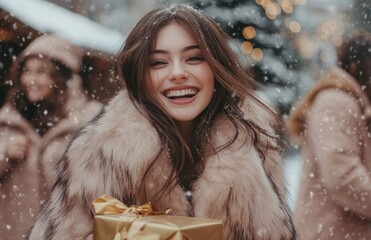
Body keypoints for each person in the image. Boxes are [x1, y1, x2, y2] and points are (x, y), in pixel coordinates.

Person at [26, 4, 295, 240]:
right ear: (140, 77)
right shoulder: (99, 155)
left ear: (215, 68)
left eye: (193, 58)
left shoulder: (253, 144)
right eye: (158, 63)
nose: (178, 73)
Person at [0, 34, 102, 240]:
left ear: (61, 77)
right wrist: (4, 153)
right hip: (14, 231)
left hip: (64, 232)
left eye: (41, 72)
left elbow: (100, 183)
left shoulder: (88, 121)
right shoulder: (8, 119)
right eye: (26, 71)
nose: (31, 80)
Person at [286, 29, 371, 239]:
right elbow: (342, 176)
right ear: (357, 65)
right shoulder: (335, 102)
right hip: (331, 232)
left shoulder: (354, 103)